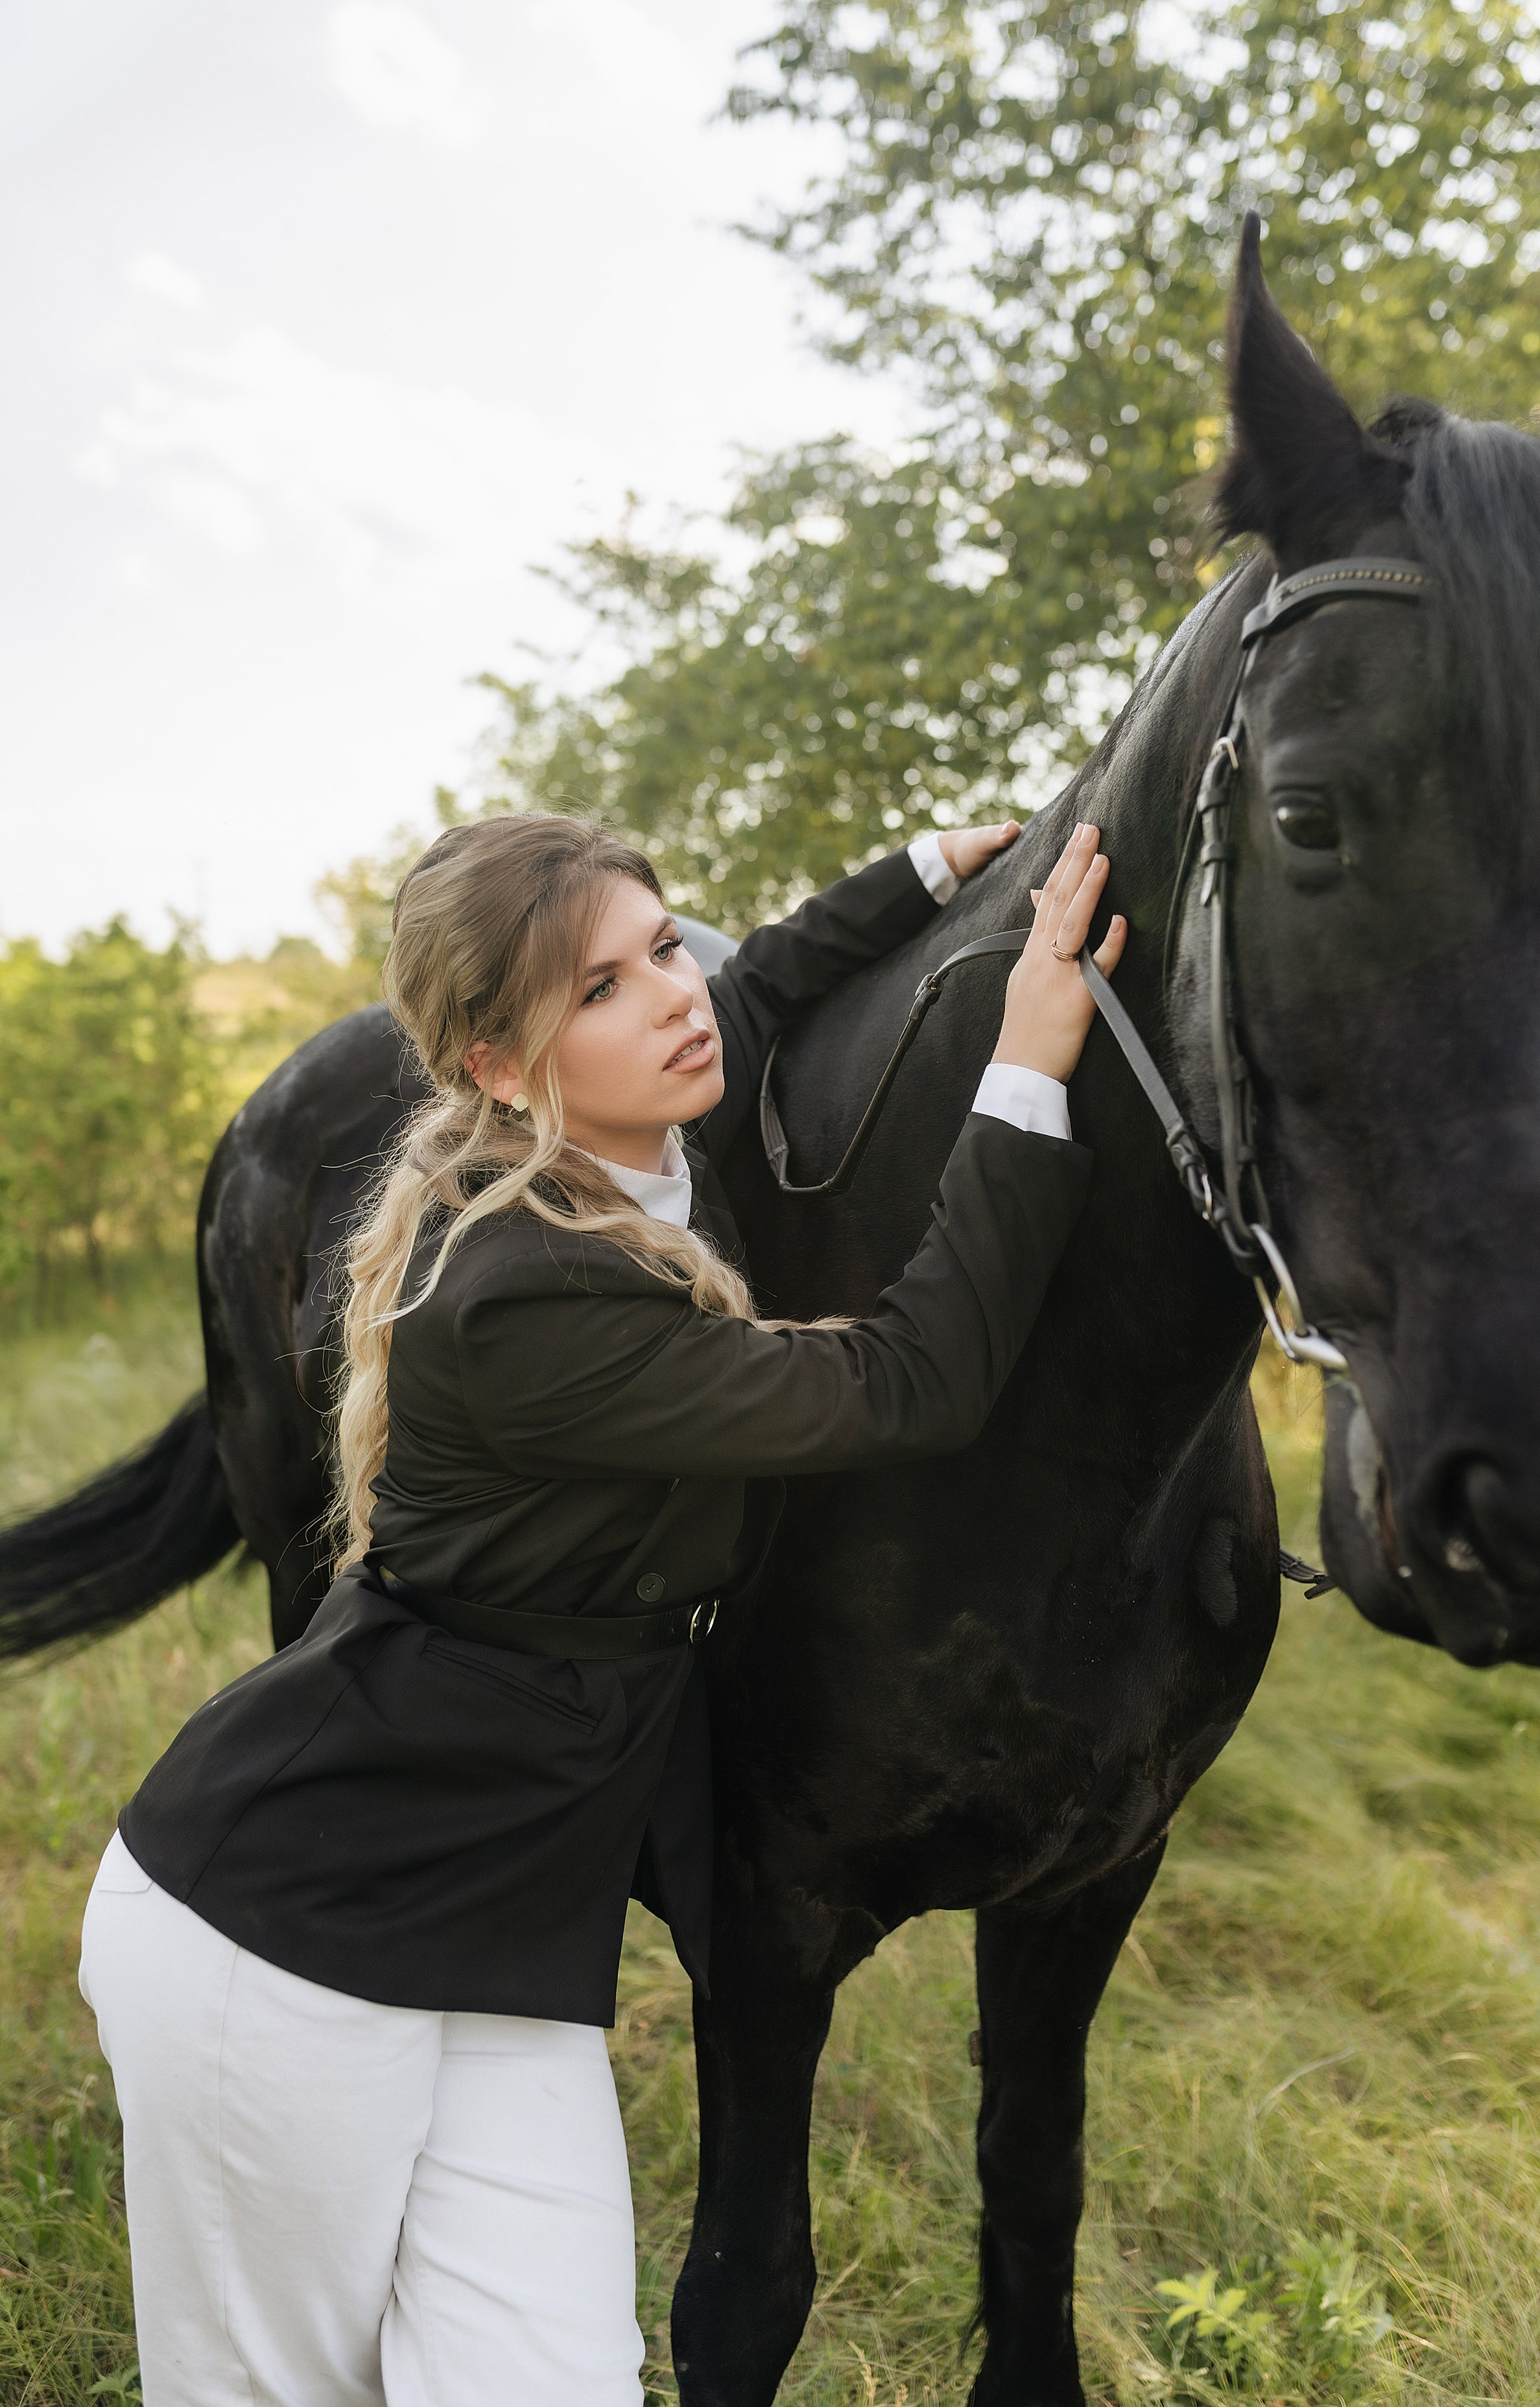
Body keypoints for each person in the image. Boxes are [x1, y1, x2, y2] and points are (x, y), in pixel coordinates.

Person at [78, 809, 1126, 2407]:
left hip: (508, 1939)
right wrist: (1026, 1064)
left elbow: (759, 980)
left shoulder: (632, 1133)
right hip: (281, 1944)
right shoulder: (529, 1289)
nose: (673, 994)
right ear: (500, 1064)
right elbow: (910, 1380)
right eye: (605, 987)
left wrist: (931, 866)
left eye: (662, 940)